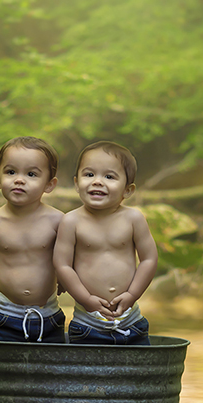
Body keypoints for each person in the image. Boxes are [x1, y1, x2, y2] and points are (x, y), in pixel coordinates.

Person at [53, 141, 158, 345]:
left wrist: (132, 294)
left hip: (131, 320)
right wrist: (86, 299)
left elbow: (149, 259)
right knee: (85, 375)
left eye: (109, 177)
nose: (97, 182)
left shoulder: (133, 219)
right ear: (76, 183)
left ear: (128, 190)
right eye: (89, 174)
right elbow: (62, 265)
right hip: (87, 323)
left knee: (136, 374)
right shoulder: (71, 221)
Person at [0, 136, 66, 343]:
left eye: (31, 174)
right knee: (4, 370)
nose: (19, 179)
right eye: (10, 172)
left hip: (48, 315)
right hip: (3, 315)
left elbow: (75, 253)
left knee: (52, 371)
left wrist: (66, 280)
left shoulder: (58, 221)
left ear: (49, 185)